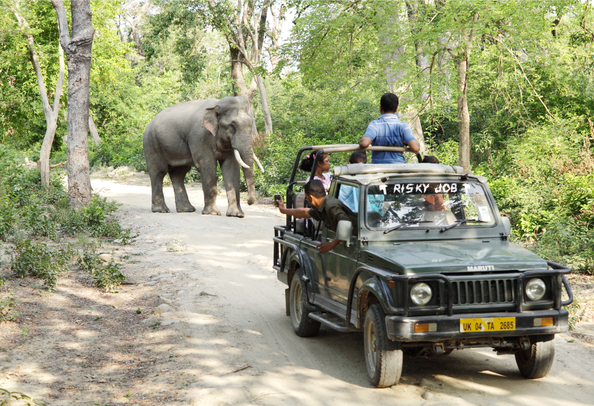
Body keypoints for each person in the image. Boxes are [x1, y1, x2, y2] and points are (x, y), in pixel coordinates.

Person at [277, 179, 356, 254]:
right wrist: (283, 210)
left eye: (306, 197)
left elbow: (347, 225)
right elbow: (305, 212)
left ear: (311, 197)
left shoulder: (331, 205)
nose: (307, 200)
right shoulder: (321, 205)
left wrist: (332, 244)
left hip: (356, 241)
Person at [359, 93, 420, 163]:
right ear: (397, 108)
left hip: (378, 169)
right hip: (399, 169)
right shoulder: (403, 126)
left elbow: (364, 143)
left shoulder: (374, 124)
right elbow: (415, 148)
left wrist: (361, 142)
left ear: (380, 107)